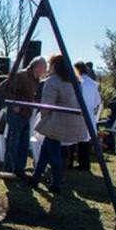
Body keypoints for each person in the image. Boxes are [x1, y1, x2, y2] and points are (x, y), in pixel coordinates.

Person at [28, 54, 88, 194]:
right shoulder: (76, 81)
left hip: (57, 120)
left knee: (54, 152)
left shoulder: (53, 81)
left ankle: (56, 182)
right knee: (46, 148)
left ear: (55, 65)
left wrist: (44, 117)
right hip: (73, 120)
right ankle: (36, 177)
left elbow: (47, 105)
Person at [1, 56, 46, 177]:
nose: (45, 69)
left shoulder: (36, 79)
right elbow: (5, 89)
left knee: (24, 143)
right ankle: (10, 168)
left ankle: (19, 168)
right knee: (13, 142)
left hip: (27, 114)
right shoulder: (21, 76)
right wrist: (13, 105)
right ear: (37, 66)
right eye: (44, 67)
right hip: (16, 113)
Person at [69, 61, 101, 172]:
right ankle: (84, 163)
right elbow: (97, 101)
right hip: (90, 114)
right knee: (85, 140)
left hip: (78, 112)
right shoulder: (93, 84)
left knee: (72, 139)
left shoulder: (78, 82)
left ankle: (70, 162)